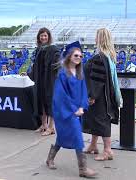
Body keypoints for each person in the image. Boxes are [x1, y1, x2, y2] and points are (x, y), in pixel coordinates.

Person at [46, 41, 97, 178]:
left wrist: (81, 106)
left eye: (81, 56)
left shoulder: (80, 73)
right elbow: (60, 95)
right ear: (69, 56)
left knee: (63, 137)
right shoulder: (63, 74)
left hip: (77, 111)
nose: (79, 58)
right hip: (65, 112)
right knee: (77, 137)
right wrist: (73, 109)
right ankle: (83, 169)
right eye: (76, 55)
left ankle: (50, 158)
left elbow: (83, 92)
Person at [83, 28, 123, 161]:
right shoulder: (107, 56)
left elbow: (97, 79)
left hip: (100, 97)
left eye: (96, 36)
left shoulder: (100, 57)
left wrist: (92, 95)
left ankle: (107, 150)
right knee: (96, 120)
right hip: (105, 94)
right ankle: (93, 145)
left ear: (100, 39)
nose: (94, 38)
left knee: (102, 121)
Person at [26, 27, 60, 136]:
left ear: (49, 37)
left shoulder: (53, 49)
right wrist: (30, 73)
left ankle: (51, 127)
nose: (43, 37)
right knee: (41, 102)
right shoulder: (39, 49)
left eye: (45, 35)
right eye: (41, 36)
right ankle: (43, 125)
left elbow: (58, 64)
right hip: (40, 80)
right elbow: (36, 66)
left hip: (49, 80)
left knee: (50, 103)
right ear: (39, 37)